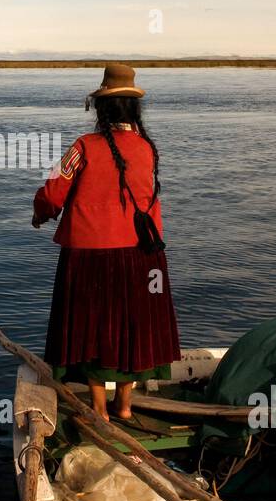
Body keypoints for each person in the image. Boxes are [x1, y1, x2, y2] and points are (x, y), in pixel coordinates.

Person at [31, 64, 181, 421]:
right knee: (131, 325)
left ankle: (99, 410)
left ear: (101, 109)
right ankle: (125, 406)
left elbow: (53, 193)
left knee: (92, 326)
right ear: (134, 110)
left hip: (89, 254)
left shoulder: (83, 147)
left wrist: (40, 213)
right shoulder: (148, 148)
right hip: (141, 255)